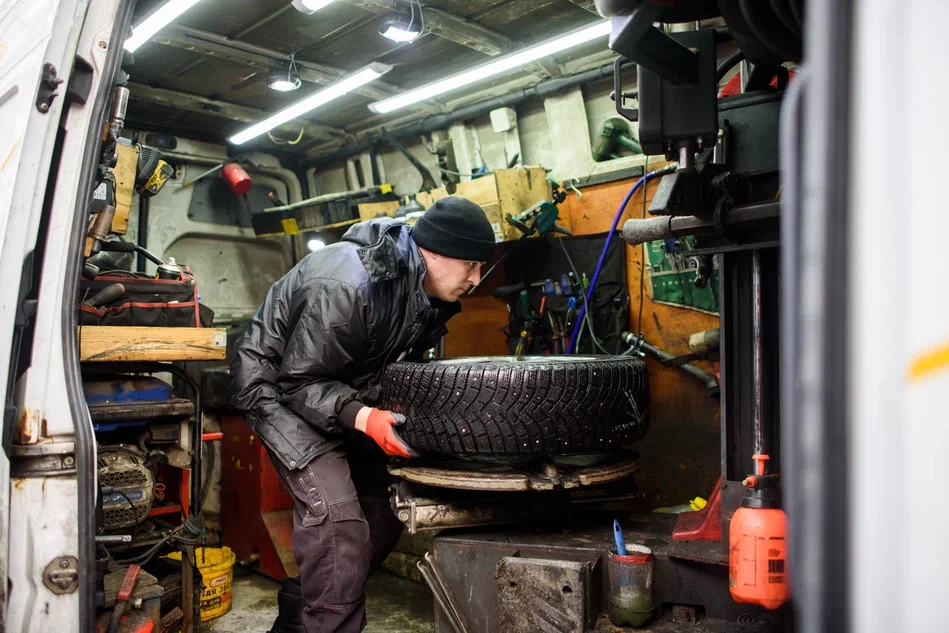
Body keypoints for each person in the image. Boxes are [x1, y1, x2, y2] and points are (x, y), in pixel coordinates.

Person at [230, 196, 495, 633]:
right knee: (338, 524)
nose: (477, 278)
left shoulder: (421, 294)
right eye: (471, 264)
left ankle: (300, 623)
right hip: (277, 392)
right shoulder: (348, 284)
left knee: (386, 507)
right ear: (436, 252)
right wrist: (363, 417)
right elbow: (299, 382)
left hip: (337, 391)